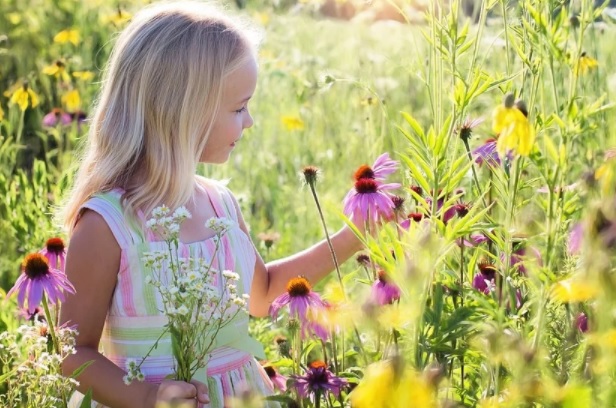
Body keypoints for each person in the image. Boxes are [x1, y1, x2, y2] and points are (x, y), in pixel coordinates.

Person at [58, 2, 363, 407]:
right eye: (239, 108)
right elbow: (72, 352)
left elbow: (263, 294)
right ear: (183, 112)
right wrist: (148, 397)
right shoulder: (109, 225)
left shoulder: (220, 204)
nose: (250, 121)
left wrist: (354, 236)